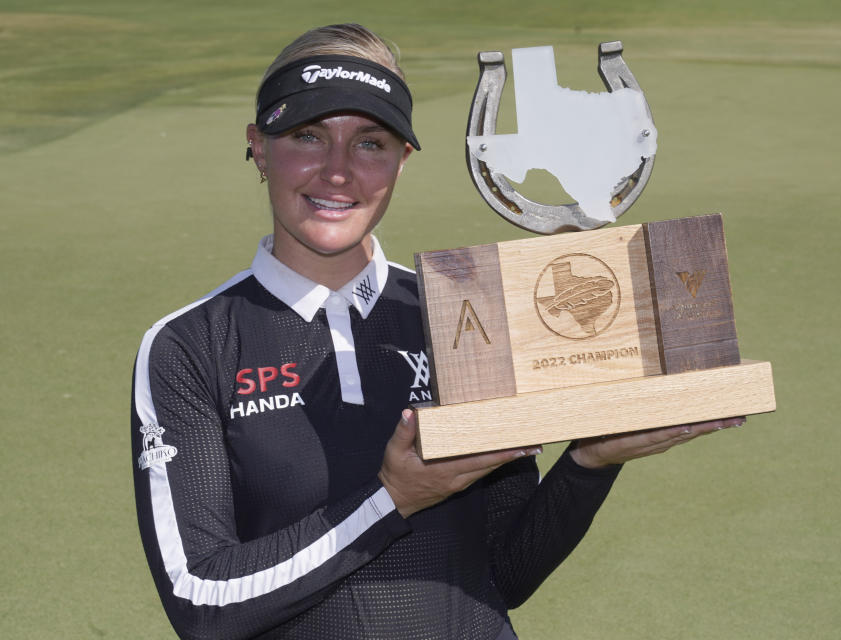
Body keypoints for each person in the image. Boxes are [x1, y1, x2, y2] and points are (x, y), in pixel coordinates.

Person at [131, 23, 743, 640]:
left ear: (404, 158)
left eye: (371, 142)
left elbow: (505, 572)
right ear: (259, 147)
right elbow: (202, 602)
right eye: (306, 136)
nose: (338, 171)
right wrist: (389, 500)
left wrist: (590, 461)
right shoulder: (192, 345)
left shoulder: (462, 311)